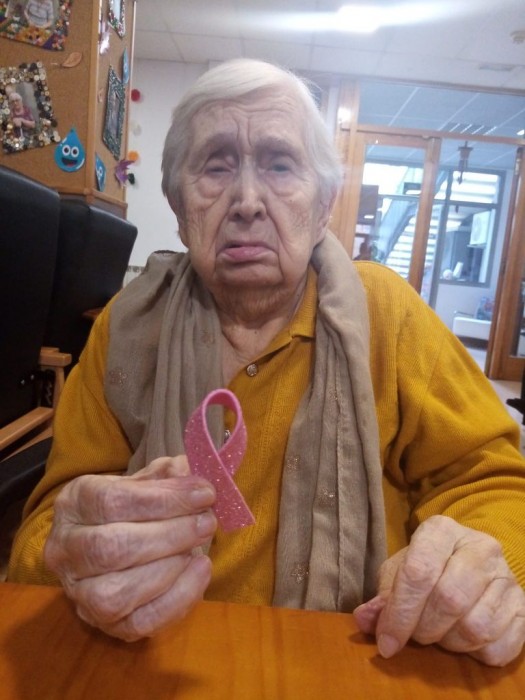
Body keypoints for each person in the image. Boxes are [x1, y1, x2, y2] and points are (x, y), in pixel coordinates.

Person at [8, 59, 525, 667]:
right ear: (178, 206)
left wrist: (476, 562)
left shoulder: (389, 316)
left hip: (351, 658)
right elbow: (46, 532)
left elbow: (494, 484)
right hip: (155, 660)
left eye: (280, 165)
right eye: (216, 166)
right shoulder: (127, 328)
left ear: (323, 204)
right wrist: (73, 554)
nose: (247, 202)